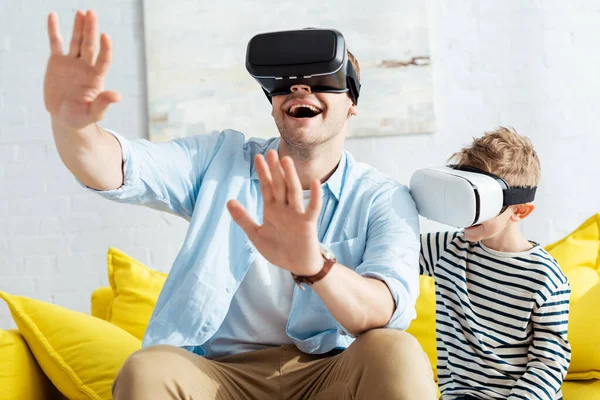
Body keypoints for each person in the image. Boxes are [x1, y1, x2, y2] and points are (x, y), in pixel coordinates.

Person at [44, 9, 437, 400]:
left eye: (321, 80)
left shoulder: (384, 198)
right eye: (285, 83)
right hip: (219, 374)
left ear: (352, 101)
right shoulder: (219, 160)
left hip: (328, 374)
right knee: (147, 369)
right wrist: (73, 126)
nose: (300, 90)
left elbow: (384, 310)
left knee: (396, 351)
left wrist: (315, 267)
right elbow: (119, 166)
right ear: (272, 101)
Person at [419, 127, 571, 400]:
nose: (466, 211)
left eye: (481, 200)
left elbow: (549, 364)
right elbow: (390, 250)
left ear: (519, 210)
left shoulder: (546, 278)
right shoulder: (447, 249)